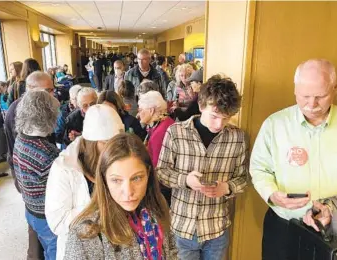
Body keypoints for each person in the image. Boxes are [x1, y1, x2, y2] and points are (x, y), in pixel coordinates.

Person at [250, 59, 337, 260]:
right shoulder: (275, 124)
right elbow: (259, 168)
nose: (312, 104)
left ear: (335, 89)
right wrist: (272, 194)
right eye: (304, 96)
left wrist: (333, 209)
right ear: (295, 90)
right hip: (284, 227)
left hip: (334, 230)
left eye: (320, 96)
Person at [157, 75, 248, 260]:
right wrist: (186, 180)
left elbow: (243, 177)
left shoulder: (237, 137)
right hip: (182, 228)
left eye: (226, 118)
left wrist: (227, 188)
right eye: (214, 116)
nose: (219, 125)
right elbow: (161, 172)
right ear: (201, 105)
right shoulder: (176, 132)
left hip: (217, 230)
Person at [63, 133, 178, 260]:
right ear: (104, 179)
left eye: (137, 178)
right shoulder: (86, 234)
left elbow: (171, 250)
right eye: (116, 180)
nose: (128, 192)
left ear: (148, 174)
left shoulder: (157, 207)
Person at [46, 104, 124, 260]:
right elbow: (57, 222)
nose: (112, 149)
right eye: (106, 142)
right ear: (91, 143)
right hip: (83, 249)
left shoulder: (117, 156)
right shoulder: (64, 168)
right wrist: (100, 206)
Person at [4, 71, 55, 260]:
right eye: (48, 90)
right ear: (32, 90)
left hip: (30, 174)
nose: (52, 93)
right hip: (27, 175)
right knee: (38, 232)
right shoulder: (18, 111)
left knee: (36, 228)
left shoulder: (40, 107)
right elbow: (21, 150)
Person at [13, 90, 60, 260]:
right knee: (54, 252)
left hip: (30, 209)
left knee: (44, 248)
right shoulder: (47, 153)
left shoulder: (21, 138)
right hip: (46, 217)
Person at [138, 91, 175, 205]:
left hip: (163, 189)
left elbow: (157, 168)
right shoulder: (164, 124)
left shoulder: (161, 131)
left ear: (151, 110)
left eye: (140, 110)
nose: (138, 114)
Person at [55, 85, 82, 149]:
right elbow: (58, 135)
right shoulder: (62, 113)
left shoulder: (86, 109)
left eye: (80, 98)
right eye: (75, 99)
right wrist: (68, 138)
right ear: (70, 99)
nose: (78, 102)